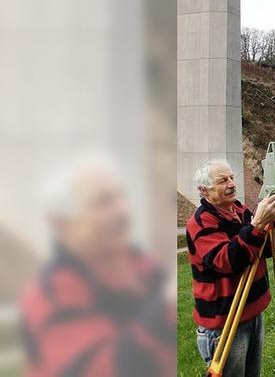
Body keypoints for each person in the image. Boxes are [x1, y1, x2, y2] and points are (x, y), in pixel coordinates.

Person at [20, 154, 175, 376]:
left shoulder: (143, 266)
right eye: (103, 202)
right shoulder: (48, 294)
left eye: (122, 196)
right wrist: (164, 309)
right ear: (62, 222)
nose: (124, 210)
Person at [187, 159, 275, 376]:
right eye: (223, 180)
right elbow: (228, 261)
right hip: (225, 322)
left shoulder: (240, 210)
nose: (231, 183)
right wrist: (257, 226)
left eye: (231, 177)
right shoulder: (200, 223)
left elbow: (264, 250)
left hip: (252, 314)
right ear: (204, 190)